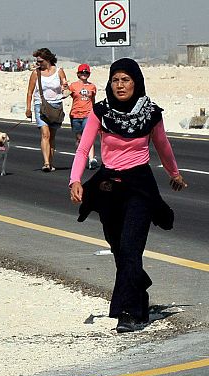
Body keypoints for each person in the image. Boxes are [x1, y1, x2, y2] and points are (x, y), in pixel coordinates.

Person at [69, 58, 188, 333]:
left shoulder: (150, 114)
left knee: (131, 249)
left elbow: (163, 146)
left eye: (126, 80)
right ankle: (140, 293)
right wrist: (74, 180)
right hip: (109, 186)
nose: (120, 85)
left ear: (137, 82)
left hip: (139, 187)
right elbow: (83, 150)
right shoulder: (100, 112)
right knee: (119, 250)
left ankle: (129, 313)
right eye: (115, 80)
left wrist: (174, 173)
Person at [25, 48, 68, 172]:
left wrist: (65, 88)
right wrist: (28, 108)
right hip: (40, 105)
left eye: (40, 61)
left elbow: (64, 87)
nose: (38, 63)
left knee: (52, 136)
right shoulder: (35, 73)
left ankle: (51, 161)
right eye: (37, 61)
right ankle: (46, 162)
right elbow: (29, 92)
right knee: (45, 134)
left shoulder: (59, 71)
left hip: (55, 106)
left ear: (48, 59)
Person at [69, 64, 99, 169]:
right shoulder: (73, 86)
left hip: (88, 114)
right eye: (82, 72)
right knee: (79, 139)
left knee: (88, 137)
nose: (84, 74)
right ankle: (80, 157)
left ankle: (91, 159)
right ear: (78, 74)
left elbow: (93, 100)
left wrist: (95, 111)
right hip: (76, 114)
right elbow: (65, 94)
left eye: (86, 73)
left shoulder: (92, 87)